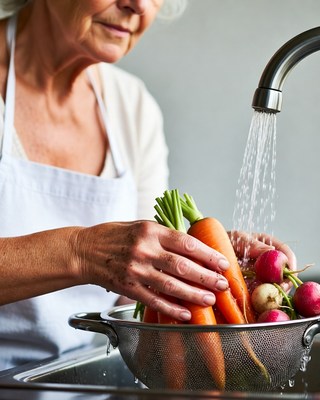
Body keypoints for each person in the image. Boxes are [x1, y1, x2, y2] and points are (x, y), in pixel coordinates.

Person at [0, 0, 296, 370]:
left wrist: (210, 271)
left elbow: (135, 304)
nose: (138, 5)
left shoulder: (132, 109)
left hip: (68, 382)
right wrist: (81, 252)